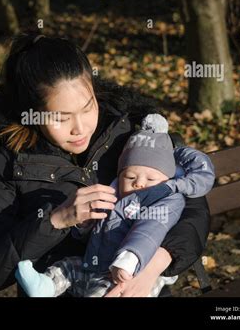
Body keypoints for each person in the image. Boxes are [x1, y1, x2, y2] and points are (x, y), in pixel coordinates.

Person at [0, 32, 211, 297]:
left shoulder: (130, 132)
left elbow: (193, 208)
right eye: (61, 118)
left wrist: (152, 266)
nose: (80, 128)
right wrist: (55, 221)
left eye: (88, 108)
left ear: (94, 90)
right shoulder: (7, 163)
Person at [14, 114, 215, 297]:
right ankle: (45, 285)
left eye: (151, 178)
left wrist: (128, 263)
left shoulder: (165, 202)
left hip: (130, 273)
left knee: (103, 293)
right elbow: (95, 229)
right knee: (67, 267)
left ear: (166, 179)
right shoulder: (114, 195)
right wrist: (84, 225)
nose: (139, 183)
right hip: (94, 264)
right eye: (131, 176)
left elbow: (148, 232)